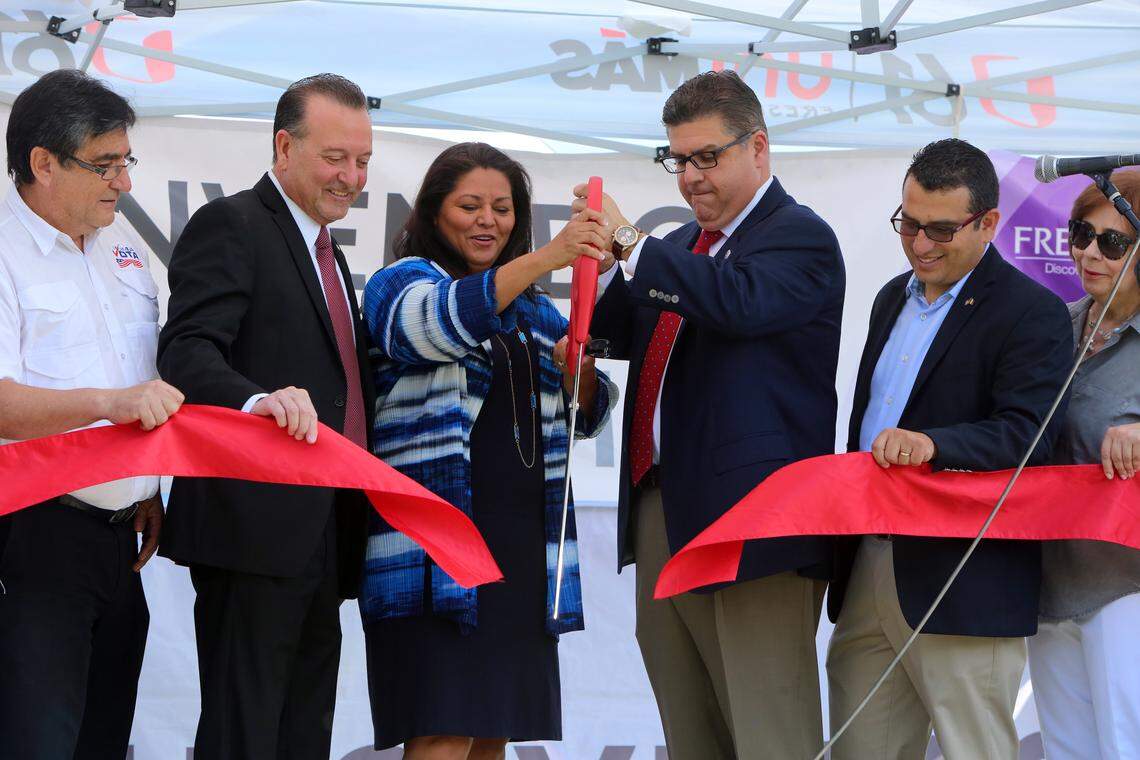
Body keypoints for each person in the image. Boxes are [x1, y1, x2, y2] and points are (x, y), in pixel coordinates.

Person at [577, 70, 846, 759]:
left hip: (753, 522)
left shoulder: (799, 237)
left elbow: (736, 303)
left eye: (707, 157)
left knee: (768, 732)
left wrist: (634, 244)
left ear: (759, 148)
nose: (690, 177)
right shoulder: (687, 251)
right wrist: (596, 268)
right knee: (689, 729)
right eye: (677, 159)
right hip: (665, 508)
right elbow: (614, 335)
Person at [359, 142, 618, 758]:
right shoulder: (401, 282)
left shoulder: (531, 307)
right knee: (442, 723)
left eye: (502, 208)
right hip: (438, 540)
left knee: (492, 725)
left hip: (522, 538)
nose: (488, 221)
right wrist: (552, 256)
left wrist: (575, 373)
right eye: (469, 205)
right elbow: (436, 324)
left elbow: (590, 406)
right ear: (432, 212)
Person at [825, 138, 1073, 759]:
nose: (918, 243)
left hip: (965, 575)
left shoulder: (1032, 311)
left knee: (974, 749)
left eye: (940, 229)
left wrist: (931, 444)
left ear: (989, 222)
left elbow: (1031, 435)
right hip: (870, 559)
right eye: (907, 223)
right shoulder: (889, 297)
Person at [157, 73, 375, 759]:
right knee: (243, 735)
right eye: (335, 157)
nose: (352, 175)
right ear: (284, 145)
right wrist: (258, 403)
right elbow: (186, 351)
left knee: (303, 733)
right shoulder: (233, 224)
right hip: (251, 531)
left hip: (325, 532)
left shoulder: (328, 251)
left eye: (363, 160)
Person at [0, 70, 183, 760]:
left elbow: (145, 381)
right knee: (36, 742)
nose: (124, 183)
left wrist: (147, 487)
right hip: (35, 533)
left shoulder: (125, 256)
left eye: (125, 162)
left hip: (123, 542)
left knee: (102, 742)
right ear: (43, 164)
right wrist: (111, 407)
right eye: (104, 165)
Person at [1028, 170, 1140, 760]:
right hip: (1045, 581)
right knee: (1065, 749)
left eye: (1113, 242)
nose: (1089, 252)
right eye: (1080, 233)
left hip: (1126, 583)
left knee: (1126, 744)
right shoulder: (1052, 327)